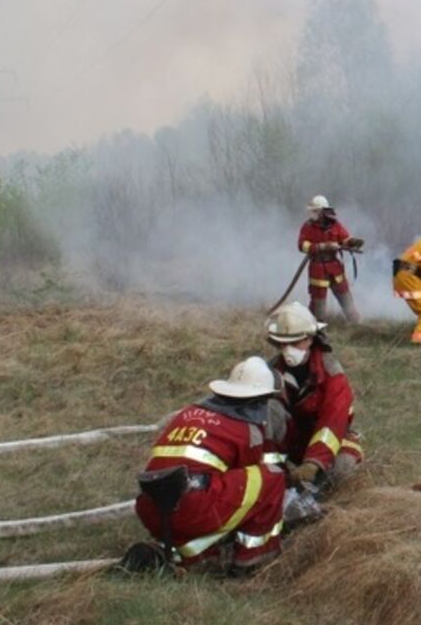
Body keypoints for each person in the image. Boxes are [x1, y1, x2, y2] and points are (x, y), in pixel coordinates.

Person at [133, 356, 289, 574]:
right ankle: (253, 559)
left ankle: (196, 557)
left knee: (209, 492)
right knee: (271, 477)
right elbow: (247, 493)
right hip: (193, 510)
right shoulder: (246, 430)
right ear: (260, 400)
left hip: (150, 507)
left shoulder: (187, 413)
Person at [265, 301, 364, 489]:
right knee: (270, 408)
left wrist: (313, 463)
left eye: (294, 342)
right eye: (283, 344)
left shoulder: (331, 373)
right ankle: (275, 476)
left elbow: (332, 423)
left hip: (333, 439)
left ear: (310, 339)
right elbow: (266, 422)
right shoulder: (270, 372)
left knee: (343, 467)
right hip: (293, 442)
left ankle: (319, 488)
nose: (288, 350)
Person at [298, 195, 364, 323]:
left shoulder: (335, 225)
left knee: (344, 293)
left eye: (315, 211)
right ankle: (318, 326)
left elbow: (344, 239)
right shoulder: (308, 226)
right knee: (318, 299)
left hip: (334, 267)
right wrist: (321, 247)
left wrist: (352, 242)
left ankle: (355, 322)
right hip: (317, 268)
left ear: (323, 211)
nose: (312, 213)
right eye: (312, 211)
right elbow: (301, 245)